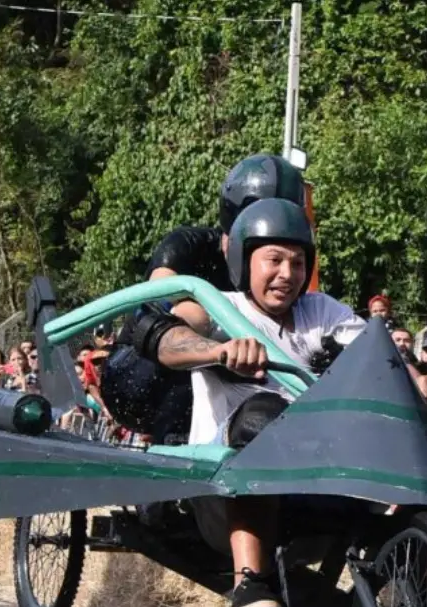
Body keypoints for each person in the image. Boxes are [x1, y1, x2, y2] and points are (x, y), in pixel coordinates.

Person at [141, 198, 427, 607]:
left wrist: (420, 382)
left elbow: (379, 353)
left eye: (298, 262)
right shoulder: (217, 306)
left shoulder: (321, 311)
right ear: (243, 261)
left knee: (406, 428)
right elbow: (167, 338)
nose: (287, 273)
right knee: (264, 415)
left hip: (312, 491)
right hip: (222, 498)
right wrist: (217, 350)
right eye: (275, 260)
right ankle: (251, 583)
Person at [101, 153, 307, 445]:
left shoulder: (290, 278)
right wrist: (220, 348)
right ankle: (176, 438)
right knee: (198, 322)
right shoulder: (187, 246)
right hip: (140, 372)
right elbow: (159, 310)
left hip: (228, 384)